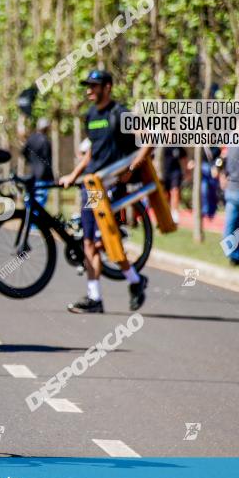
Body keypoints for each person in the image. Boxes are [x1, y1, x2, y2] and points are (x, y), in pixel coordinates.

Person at [57, 70, 152, 314]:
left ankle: (133, 280)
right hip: (92, 185)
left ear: (108, 87)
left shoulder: (119, 113)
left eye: (94, 85)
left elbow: (149, 139)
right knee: (89, 241)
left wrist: (131, 168)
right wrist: (73, 175)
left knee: (105, 241)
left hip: (112, 186)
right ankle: (96, 297)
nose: (89, 90)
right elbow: (91, 152)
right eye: (87, 85)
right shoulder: (90, 115)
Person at [23, 117, 55, 208]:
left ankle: (29, 221)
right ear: (46, 128)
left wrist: (31, 162)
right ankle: (35, 222)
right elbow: (47, 159)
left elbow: (24, 152)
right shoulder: (45, 140)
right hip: (43, 176)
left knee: (31, 201)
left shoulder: (31, 139)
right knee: (39, 203)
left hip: (33, 174)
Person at [163, 147, 187, 224]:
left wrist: (185, 171)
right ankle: (166, 214)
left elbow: (184, 158)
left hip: (175, 172)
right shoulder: (161, 145)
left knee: (175, 191)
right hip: (164, 172)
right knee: (165, 195)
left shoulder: (178, 146)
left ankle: (174, 214)